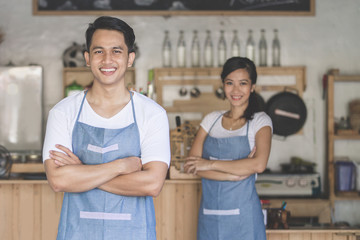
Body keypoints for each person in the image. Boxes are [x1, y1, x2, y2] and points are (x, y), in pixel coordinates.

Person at [42, 16, 170, 240]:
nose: (107, 59)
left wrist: (82, 170)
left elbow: (152, 184)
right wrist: (121, 165)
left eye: (117, 51)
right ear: (87, 58)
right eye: (99, 51)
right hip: (77, 233)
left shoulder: (152, 114)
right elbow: (59, 180)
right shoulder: (63, 112)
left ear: (130, 58)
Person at [184, 57, 272, 240]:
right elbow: (192, 165)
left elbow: (258, 165)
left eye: (243, 83)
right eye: (230, 83)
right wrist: (234, 174)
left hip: (245, 219)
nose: (236, 90)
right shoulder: (211, 120)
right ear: (223, 85)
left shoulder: (260, 121)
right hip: (210, 216)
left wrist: (208, 165)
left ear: (252, 86)